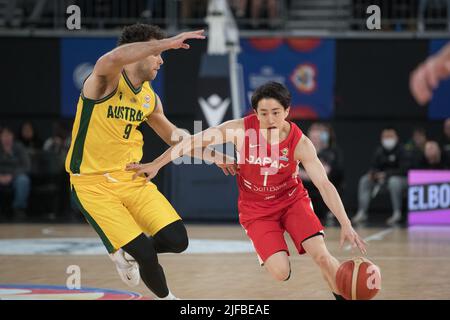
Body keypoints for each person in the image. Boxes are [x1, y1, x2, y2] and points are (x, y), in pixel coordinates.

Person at [128, 81, 367, 300]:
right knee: (281, 272)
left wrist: (345, 223)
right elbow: (190, 141)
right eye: (263, 113)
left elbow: (324, 184)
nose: (270, 119)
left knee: (323, 256)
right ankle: (265, 249)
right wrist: (156, 164)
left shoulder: (300, 143)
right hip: (256, 210)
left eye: (276, 113)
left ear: (287, 111)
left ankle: (346, 296)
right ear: (255, 113)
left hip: (292, 201)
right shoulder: (239, 130)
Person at [64, 24, 205, 300]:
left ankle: (126, 252)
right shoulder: (104, 79)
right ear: (138, 52)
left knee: (178, 240)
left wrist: (215, 154)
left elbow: (175, 137)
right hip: (92, 185)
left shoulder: (150, 97)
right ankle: (167, 297)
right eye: (157, 52)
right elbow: (114, 58)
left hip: (131, 178)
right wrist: (167, 42)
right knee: (146, 254)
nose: (161, 60)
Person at [352, 127, 408, 225]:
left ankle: (397, 213)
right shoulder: (379, 151)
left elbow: (404, 170)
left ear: (396, 138)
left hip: (400, 181)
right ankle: (362, 212)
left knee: (394, 181)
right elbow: (374, 166)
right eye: (385, 137)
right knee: (365, 180)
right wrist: (373, 174)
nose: (388, 139)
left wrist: (386, 174)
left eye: (390, 136)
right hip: (381, 181)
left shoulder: (402, 150)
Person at [0, 126, 31, 220]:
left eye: (9, 135)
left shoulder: (19, 147)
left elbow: (26, 165)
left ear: (12, 136)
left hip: (15, 176)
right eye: (4, 135)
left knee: (23, 180)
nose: (6, 138)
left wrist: (12, 176)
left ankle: (19, 209)